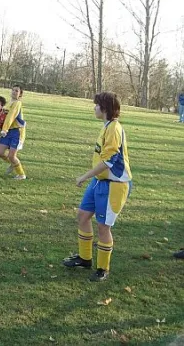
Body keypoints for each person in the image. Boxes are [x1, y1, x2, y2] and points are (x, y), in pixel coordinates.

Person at [62, 92, 132, 282]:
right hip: (100, 182)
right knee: (83, 216)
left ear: (105, 109)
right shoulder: (106, 127)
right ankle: (85, 259)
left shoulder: (114, 129)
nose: (94, 108)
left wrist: (84, 176)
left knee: (103, 227)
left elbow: (108, 161)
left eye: (96, 105)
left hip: (114, 185)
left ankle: (103, 268)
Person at [0, 84, 26, 180]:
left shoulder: (17, 103)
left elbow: (11, 116)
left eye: (17, 91)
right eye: (13, 90)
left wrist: (4, 130)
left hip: (16, 132)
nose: (14, 92)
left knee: (12, 156)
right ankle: (13, 165)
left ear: (20, 94)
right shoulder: (9, 103)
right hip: (7, 131)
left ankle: (21, 175)